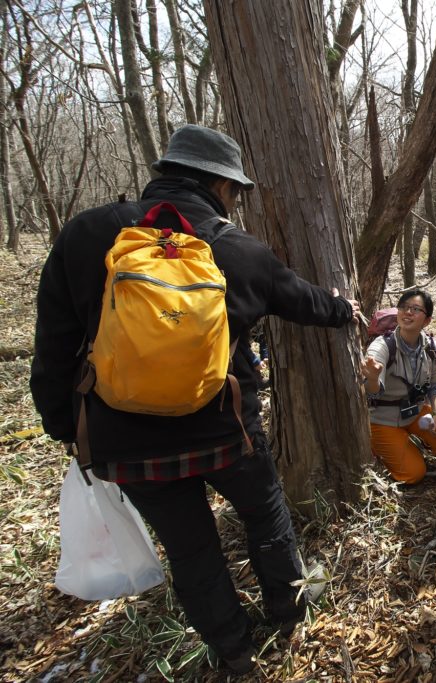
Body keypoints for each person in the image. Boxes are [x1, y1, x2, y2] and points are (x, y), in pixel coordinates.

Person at [30, 124, 360, 674]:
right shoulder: (239, 250)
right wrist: (343, 309)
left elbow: (54, 347)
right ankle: (289, 613)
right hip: (227, 433)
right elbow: (300, 299)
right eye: (235, 191)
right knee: (265, 518)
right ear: (221, 185)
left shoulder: (87, 235)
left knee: (191, 550)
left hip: (126, 440)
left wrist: (65, 428)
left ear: (165, 172)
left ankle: (234, 650)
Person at [362, 289, 436, 484]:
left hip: (415, 412)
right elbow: (371, 392)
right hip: (382, 419)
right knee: (413, 474)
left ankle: (408, 441)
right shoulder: (382, 347)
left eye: (416, 309)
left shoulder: (432, 348)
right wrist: (372, 378)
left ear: (427, 320)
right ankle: (380, 446)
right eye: (404, 307)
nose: (408, 312)